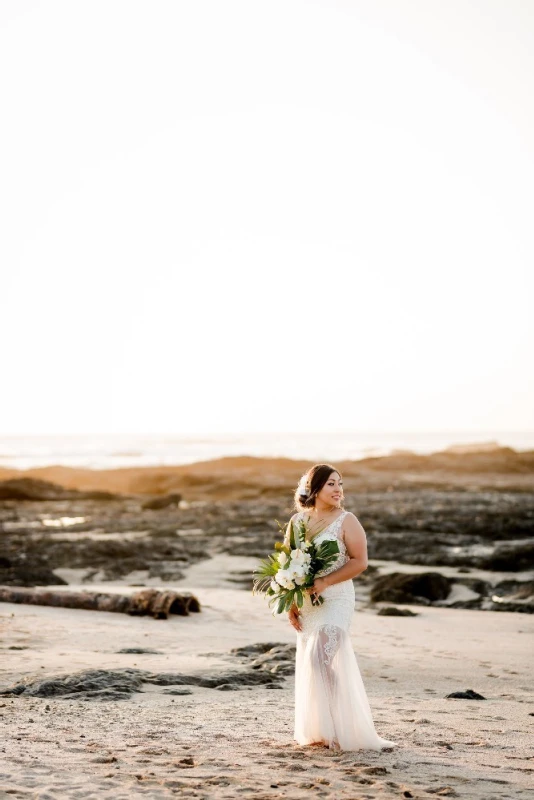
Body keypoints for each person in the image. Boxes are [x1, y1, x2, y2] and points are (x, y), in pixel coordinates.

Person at [285, 463, 396, 751]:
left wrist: (325, 581)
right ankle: (325, 729)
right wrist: (291, 604)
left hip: (337, 598)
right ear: (315, 488)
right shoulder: (297, 523)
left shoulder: (347, 520)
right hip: (308, 602)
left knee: (318, 658)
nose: (338, 490)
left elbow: (360, 562)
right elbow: (290, 566)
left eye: (340, 484)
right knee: (317, 662)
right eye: (331, 484)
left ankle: (340, 727)